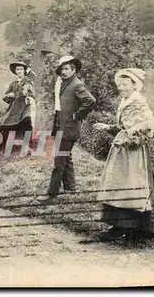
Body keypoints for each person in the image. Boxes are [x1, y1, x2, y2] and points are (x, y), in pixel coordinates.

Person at [93, 68, 154, 240]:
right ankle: (118, 227)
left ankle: (135, 228)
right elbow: (125, 128)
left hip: (133, 154)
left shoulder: (139, 104)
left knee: (131, 188)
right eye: (119, 84)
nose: (121, 88)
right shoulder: (126, 101)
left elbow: (146, 132)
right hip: (121, 152)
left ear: (135, 85)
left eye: (125, 84)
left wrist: (126, 142)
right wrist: (108, 127)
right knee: (118, 187)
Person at [38, 56, 96, 202]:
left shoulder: (77, 85)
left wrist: (77, 115)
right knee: (66, 157)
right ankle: (71, 188)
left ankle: (51, 194)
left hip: (68, 128)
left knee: (59, 161)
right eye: (62, 69)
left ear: (73, 70)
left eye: (66, 69)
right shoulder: (64, 83)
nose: (63, 72)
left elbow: (90, 101)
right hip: (60, 126)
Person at [0, 61, 37, 157]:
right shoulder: (13, 84)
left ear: (24, 71)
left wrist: (27, 94)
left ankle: (29, 148)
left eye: (21, 69)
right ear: (15, 71)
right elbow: (5, 98)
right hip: (14, 108)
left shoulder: (28, 82)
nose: (19, 71)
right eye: (17, 69)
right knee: (4, 125)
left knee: (27, 121)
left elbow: (33, 94)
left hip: (25, 107)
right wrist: (9, 95)